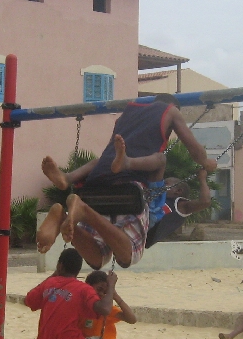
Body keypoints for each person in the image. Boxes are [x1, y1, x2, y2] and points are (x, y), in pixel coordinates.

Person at [37, 94, 217, 269]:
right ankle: (84, 208)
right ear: (173, 107)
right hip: (128, 189)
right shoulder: (171, 111)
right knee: (127, 255)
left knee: (98, 258)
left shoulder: (127, 113)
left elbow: (106, 156)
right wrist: (206, 163)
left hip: (96, 184)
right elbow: (194, 150)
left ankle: (66, 186)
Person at [145, 168, 212, 248]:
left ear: (178, 191)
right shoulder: (156, 198)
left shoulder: (180, 205)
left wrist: (202, 179)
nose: (161, 185)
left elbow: (205, 202)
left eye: (165, 183)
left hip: (144, 235)